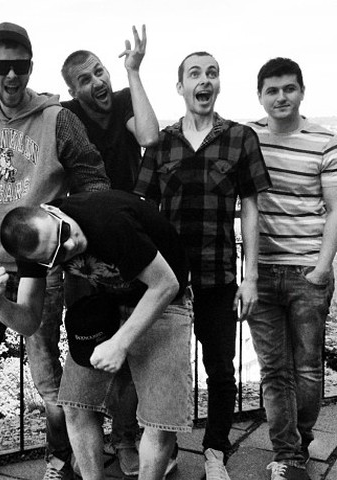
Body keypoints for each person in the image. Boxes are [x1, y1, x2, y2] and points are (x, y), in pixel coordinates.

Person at [0, 21, 110, 480]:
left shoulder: (57, 119)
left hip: (41, 268)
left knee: (46, 376)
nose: (11, 75)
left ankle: (59, 459)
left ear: (31, 67)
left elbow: (95, 181)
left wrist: (66, 231)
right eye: (1, 66)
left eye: (20, 65)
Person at [0, 189, 193, 480]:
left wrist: (120, 343)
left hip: (165, 300)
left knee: (159, 421)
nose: (70, 245)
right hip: (108, 301)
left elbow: (166, 284)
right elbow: (29, 321)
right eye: (58, 255)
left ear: (52, 211)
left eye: (63, 234)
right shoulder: (35, 247)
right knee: (75, 404)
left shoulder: (108, 221)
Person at [134, 51, 272, 480]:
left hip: (219, 276)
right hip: (169, 282)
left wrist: (250, 277)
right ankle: (167, 448)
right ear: (181, 87)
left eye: (212, 73)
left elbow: (251, 207)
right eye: (195, 73)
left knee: (221, 371)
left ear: (218, 84)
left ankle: (215, 451)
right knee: (166, 374)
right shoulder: (162, 143)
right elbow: (143, 208)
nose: (205, 80)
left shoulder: (240, 138)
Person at [60, 26, 179, 478]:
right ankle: (90, 440)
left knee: (134, 343)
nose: (97, 82)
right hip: (84, 241)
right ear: (73, 90)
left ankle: (128, 438)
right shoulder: (67, 114)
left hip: (131, 235)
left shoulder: (127, 98)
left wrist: (133, 71)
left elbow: (149, 136)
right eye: (85, 79)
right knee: (90, 341)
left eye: (99, 71)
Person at [246, 58, 337, 480]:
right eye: (272, 90)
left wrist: (322, 268)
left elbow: (335, 210)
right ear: (260, 96)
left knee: (307, 368)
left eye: (289, 88)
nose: (281, 97)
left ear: (301, 91)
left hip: (306, 271)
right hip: (261, 272)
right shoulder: (248, 138)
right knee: (274, 369)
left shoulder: (324, 141)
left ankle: (298, 441)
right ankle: (288, 454)